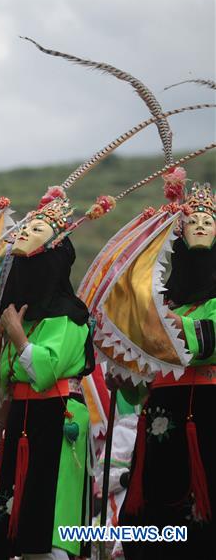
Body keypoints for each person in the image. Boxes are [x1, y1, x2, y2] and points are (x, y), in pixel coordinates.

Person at [0, 196, 94, 560]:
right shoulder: (22, 316)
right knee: (18, 519)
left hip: (58, 418)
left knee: (49, 525)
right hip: (23, 419)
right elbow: (9, 376)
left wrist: (17, 336)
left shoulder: (69, 317)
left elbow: (44, 371)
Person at [119, 182, 216, 559]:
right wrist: (126, 376)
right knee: (151, 515)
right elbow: (144, 381)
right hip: (160, 415)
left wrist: (172, 324)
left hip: (206, 412)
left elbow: (206, 340)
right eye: (193, 221)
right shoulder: (161, 300)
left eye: (209, 220)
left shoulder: (171, 311)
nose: (202, 225)